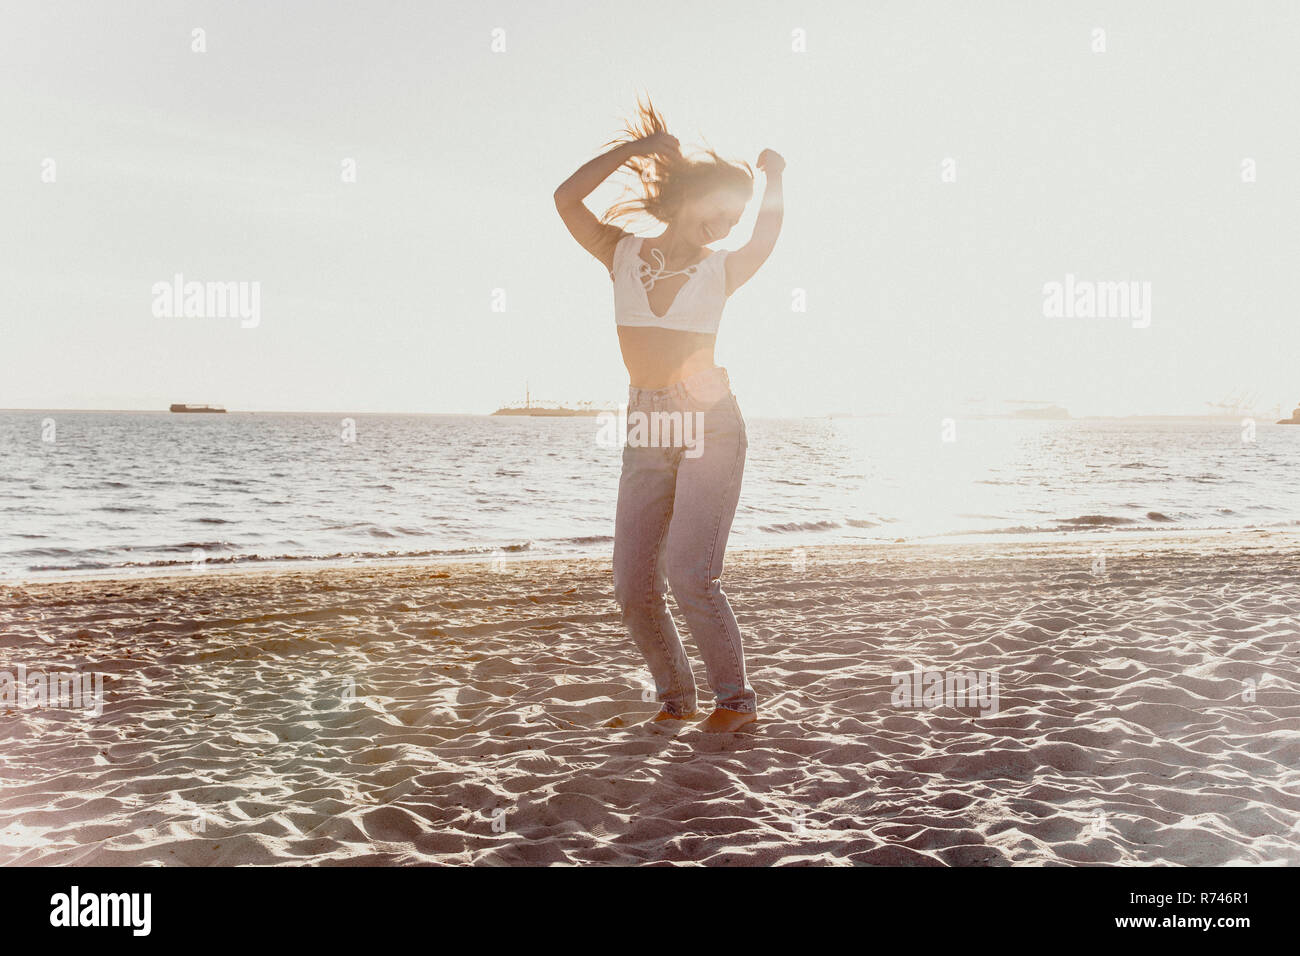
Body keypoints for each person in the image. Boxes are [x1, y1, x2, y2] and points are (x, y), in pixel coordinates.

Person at [553, 96, 785, 733]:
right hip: (646, 426)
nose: (730, 224)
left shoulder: (722, 270)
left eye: (737, 216)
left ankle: (736, 702)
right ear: (692, 195)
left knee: (689, 571)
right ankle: (674, 697)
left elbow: (766, 235)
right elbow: (565, 198)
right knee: (632, 585)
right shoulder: (621, 253)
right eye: (723, 209)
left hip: (710, 423)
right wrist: (634, 151)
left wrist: (775, 179)